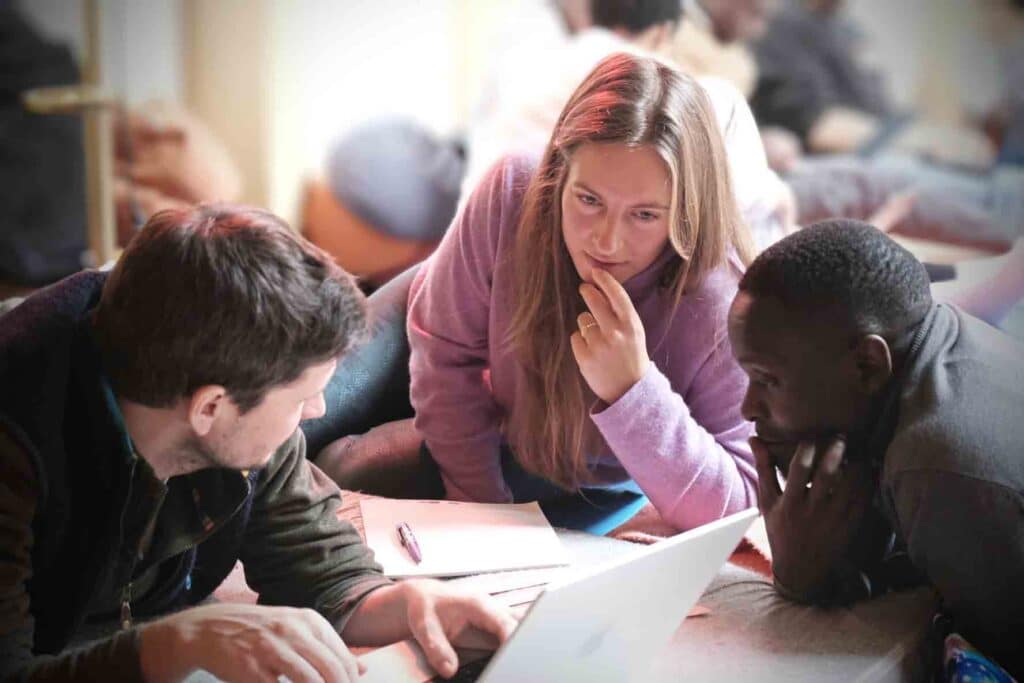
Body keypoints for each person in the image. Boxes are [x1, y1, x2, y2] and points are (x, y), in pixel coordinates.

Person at [0, 205, 516, 681]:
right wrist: (172, 645)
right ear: (209, 408)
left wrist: (407, 603)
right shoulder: (17, 442)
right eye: (301, 399)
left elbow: (319, 572)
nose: (317, 412)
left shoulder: (233, 396)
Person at [407, 52, 758, 532]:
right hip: (479, 395)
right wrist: (481, 512)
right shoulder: (513, 189)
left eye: (645, 215)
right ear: (559, 176)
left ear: (686, 212)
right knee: (332, 451)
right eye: (589, 200)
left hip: (610, 484)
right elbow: (443, 355)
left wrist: (633, 389)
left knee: (357, 461)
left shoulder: (719, 298)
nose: (607, 242)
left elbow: (740, 504)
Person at [727, 219, 1024, 675]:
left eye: (767, 380)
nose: (748, 407)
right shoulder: (933, 338)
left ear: (867, 365)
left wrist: (798, 572)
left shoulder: (938, 468)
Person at [463, 0, 794, 249]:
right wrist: (782, 203)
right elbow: (749, 195)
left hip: (477, 231)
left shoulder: (550, 58)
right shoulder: (638, 74)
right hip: (534, 240)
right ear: (663, 34)